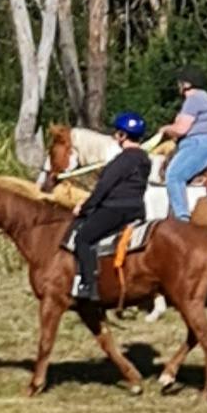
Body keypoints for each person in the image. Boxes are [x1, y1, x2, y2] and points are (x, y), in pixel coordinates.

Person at [68, 112, 154, 310]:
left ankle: (88, 285)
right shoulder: (144, 159)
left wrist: (85, 207)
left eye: (118, 133)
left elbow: (103, 189)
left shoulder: (121, 161)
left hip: (115, 210)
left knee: (83, 238)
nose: (115, 136)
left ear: (123, 136)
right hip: (137, 209)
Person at [160, 72, 207, 222]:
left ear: (186, 84)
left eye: (180, 83)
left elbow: (181, 129)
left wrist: (164, 130)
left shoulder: (194, 99)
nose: (178, 86)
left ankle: (181, 218)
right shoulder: (201, 98)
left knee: (174, 175)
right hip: (204, 142)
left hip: (200, 143)